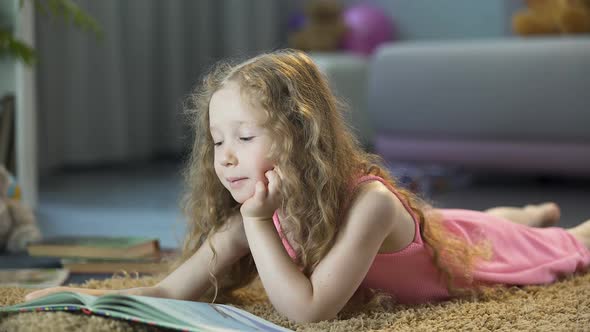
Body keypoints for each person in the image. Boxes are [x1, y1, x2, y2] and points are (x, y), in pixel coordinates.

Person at [25, 49, 590, 323]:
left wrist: (253, 225)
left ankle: (538, 219)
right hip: (441, 227)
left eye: (245, 136)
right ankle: (530, 210)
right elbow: (175, 291)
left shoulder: (368, 205)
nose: (225, 158)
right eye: (217, 141)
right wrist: (89, 300)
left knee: (562, 245)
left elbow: (310, 311)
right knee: (480, 219)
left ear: (300, 134)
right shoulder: (256, 212)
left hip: (458, 251)